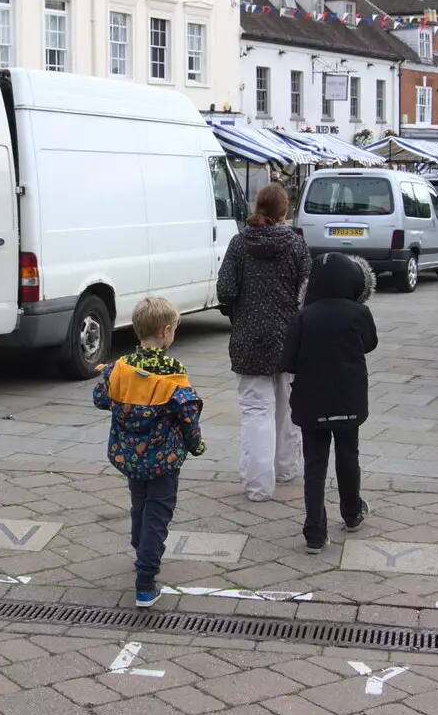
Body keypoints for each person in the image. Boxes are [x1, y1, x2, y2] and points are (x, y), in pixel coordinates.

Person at [93, 296, 206, 609]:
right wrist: (196, 444)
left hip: (129, 455)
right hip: (163, 459)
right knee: (158, 511)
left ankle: (140, 545)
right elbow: (187, 415)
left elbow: (101, 398)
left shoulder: (120, 367)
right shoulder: (173, 373)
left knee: (139, 504)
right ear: (167, 331)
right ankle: (145, 580)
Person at [216, 182, 310, 502]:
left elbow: (225, 291)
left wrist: (240, 312)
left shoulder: (239, 243)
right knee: (287, 406)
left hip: (248, 338)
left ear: (257, 207)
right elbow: (306, 292)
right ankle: (285, 469)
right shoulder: (296, 245)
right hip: (288, 338)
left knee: (257, 411)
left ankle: (258, 485)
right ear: (285, 211)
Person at [282, 253, 378, 553]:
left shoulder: (303, 316)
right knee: (349, 457)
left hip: (311, 401)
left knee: (314, 465)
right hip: (349, 398)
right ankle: (351, 513)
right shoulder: (358, 312)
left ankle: (314, 530)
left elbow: (287, 360)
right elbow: (370, 343)